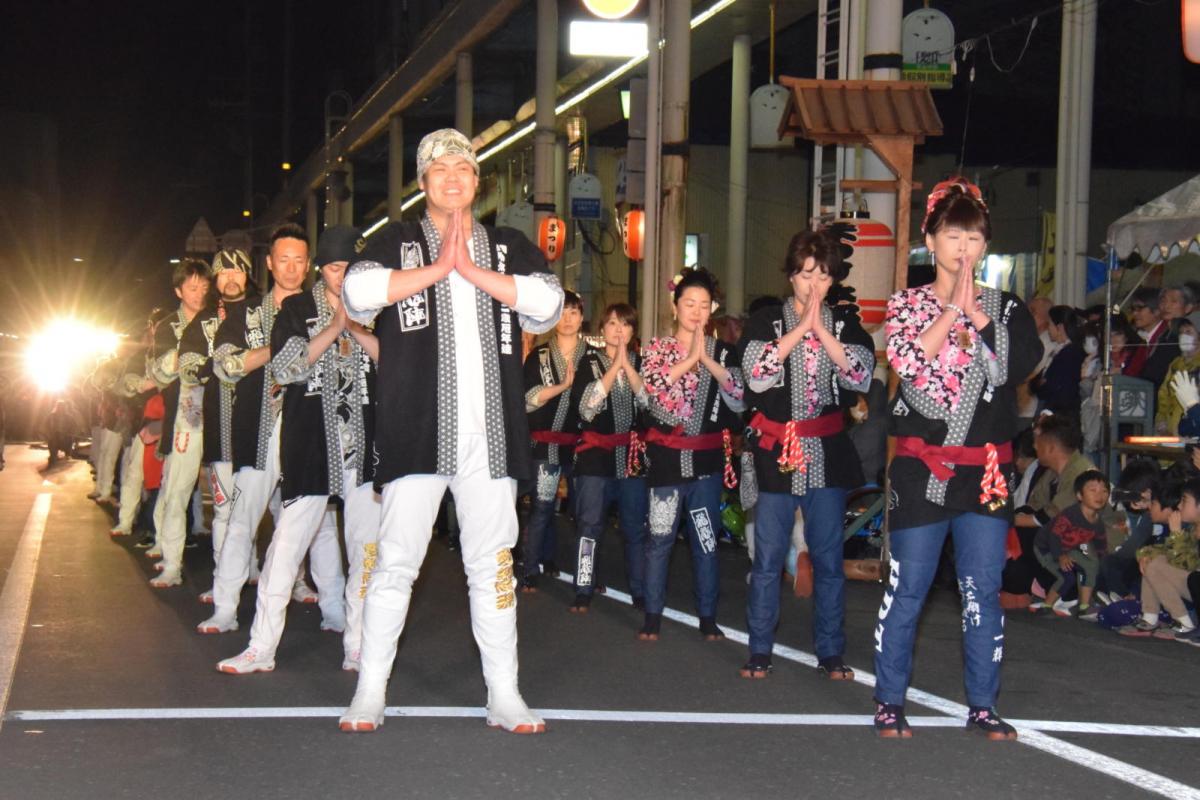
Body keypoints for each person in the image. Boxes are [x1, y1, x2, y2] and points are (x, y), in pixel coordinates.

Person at [338, 128, 563, 734]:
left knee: (491, 564)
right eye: (439, 167)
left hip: (489, 433)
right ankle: (370, 691)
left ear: (477, 179)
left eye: (463, 165)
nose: (453, 175)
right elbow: (357, 296)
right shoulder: (396, 240)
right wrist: (438, 269)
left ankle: (505, 694)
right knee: (396, 563)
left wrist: (471, 271)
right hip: (416, 429)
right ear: (422, 182)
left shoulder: (509, 245)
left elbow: (547, 304)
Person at [872, 178, 1042, 740]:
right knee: (910, 587)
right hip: (923, 471)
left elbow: (1020, 366)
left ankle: (983, 705)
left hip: (987, 472)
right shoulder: (905, 304)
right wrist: (953, 309)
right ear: (930, 238)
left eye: (973, 235)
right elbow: (909, 363)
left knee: (980, 591)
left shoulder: (1008, 308)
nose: (963, 246)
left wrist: (984, 318)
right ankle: (890, 700)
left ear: (985, 244)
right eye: (952, 233)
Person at [218, 226, 380, 674]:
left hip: (364, 452)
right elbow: (286, 368)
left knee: (366, 552)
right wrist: (333, 328)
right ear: (319, 269)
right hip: (311, 447)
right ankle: (260, 648)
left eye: (348, 267)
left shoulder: (379, 306)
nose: (340, 275)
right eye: (332, 267)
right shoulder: (296, 308)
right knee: (284, 550)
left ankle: (358, 644)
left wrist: (358, 327)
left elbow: (398, 364)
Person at [739, 228, 874, 680]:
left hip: (827, 451)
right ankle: (759, 647)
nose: (811, 285)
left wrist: (822, 331)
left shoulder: (846, 325)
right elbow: (755, 379)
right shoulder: (765, 322)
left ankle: (832, 652)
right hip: (778, 450)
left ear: (832, 279)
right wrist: (801, 329)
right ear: (791, 277)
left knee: (829, 557)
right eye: (803, 275)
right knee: (769, 555)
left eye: (820, 276)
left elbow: (859, 376)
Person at [198, 225, 317, 634]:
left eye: (298, 260)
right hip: (259, 430)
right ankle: (226, 608)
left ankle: (304, 586)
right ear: (268, 264)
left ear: (307, 265)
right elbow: (224, 365)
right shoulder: (246, 312)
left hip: (308, 429)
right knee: (240, 521)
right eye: (282, 259)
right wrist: (278, 349)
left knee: (309, 520)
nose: (290, 267)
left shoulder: (321, 309)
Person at [638, 268, 745, 642]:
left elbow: (739, 396)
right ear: (675, 306)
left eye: (704, 305)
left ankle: (708, 615)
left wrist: (707, 359)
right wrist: (689, 359)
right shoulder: (657, 348)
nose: (697, 312)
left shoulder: (724, 351)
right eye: (689, 304)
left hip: (706, 462)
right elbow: (650, 389)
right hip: (667, 460)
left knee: (706, 539)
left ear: (712, 308)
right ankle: (652, 613)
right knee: (660, 536)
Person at [568, 302, 649, 612]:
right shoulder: (589, 362)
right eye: (613, 324)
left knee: (634, 528)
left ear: (633, 331)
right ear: (602, 330)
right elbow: (586, 407)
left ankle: (640, 591)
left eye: (625, 324)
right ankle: (583, 587)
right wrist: (615, 365)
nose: (619, 330)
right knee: (589, 525)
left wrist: (627, 364)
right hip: (595, 457)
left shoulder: (641, 363)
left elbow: (648, 404)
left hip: (631, 458)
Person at [144, 258, 218, 588]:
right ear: (178, 291)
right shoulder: (168, 328)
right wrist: (184, 356)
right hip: (185, 419)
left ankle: (242, 566)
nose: (200, 293)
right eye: (192, 287)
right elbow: (158, 373)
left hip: (222, 415)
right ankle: (172, 563)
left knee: (232, 496)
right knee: (177, 492)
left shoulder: (220, 318)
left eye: (204, 286)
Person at [194, 249, 253, 604]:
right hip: (222, 427)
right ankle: (223, 580)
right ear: (216, 281)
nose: (231, 278)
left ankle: (287, 577)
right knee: (223, 508)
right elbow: (191, 363)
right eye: (223, 273)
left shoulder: (269, 309)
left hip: (268, 425)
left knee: (281, 507)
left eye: (237, 272)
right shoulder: (204, 321)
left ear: (248, 275)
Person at [520, 290, 587, 591]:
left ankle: (585, 574)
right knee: (543, 506)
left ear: (582, 317)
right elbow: (528, 399)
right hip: (546, 444)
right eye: (562, 312)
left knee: (582, 512)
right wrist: (562, 386)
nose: (568, 319)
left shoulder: (592, 357)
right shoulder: (540, 356)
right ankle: (532, 566)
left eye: (573, 312)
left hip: (582, 448)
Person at [1117, 477, 1200, 639]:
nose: (1179, 506)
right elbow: (1165, 551)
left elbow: (1186, 564)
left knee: (1155, 565)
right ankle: (1149, 616)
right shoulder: (1192, 530)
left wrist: (1176, 535)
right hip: (1191, 584)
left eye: (1184, 501)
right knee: (1152, 561)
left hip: (1195, 585)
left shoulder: (1184, 530)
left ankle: (1183, 621)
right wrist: (1146, 554)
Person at [1031, 470, 1110, 620]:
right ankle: (1046, 606)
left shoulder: (1097, 521)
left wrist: (1101, 559)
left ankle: (1084, 607)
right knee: (1066, 577)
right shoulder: (1070, 515)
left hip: (1073, 547)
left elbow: (1100, 543)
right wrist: (1060, 556)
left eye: (1104, 491)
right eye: (1093, 490)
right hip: (1046, 547)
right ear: (1079, 495)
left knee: (1090, 565)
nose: (1099, 495)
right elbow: (1054, 536)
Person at [1032, 305, 1084, 418]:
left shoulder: (1069, 354)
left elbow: (1055, 386)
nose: (1048, 329)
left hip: (1058, 415)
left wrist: (1042, 384)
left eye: (1050, 324)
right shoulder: (1059, 351)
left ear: (1059, 327)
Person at [1125, 287, 1178, 389]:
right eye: (1132, 309)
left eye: (1139, 308)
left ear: (1157, 310)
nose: (1134, 314)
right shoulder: (1143, 340)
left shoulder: (1169, 339)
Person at [1155, 316, 1200, 434]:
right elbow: (1163, 395)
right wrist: (1161, 419)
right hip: (1171, 430)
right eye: (1180, 332)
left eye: (1189, 332)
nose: (1183, 336)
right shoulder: (1176, 364)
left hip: (1193, 430)